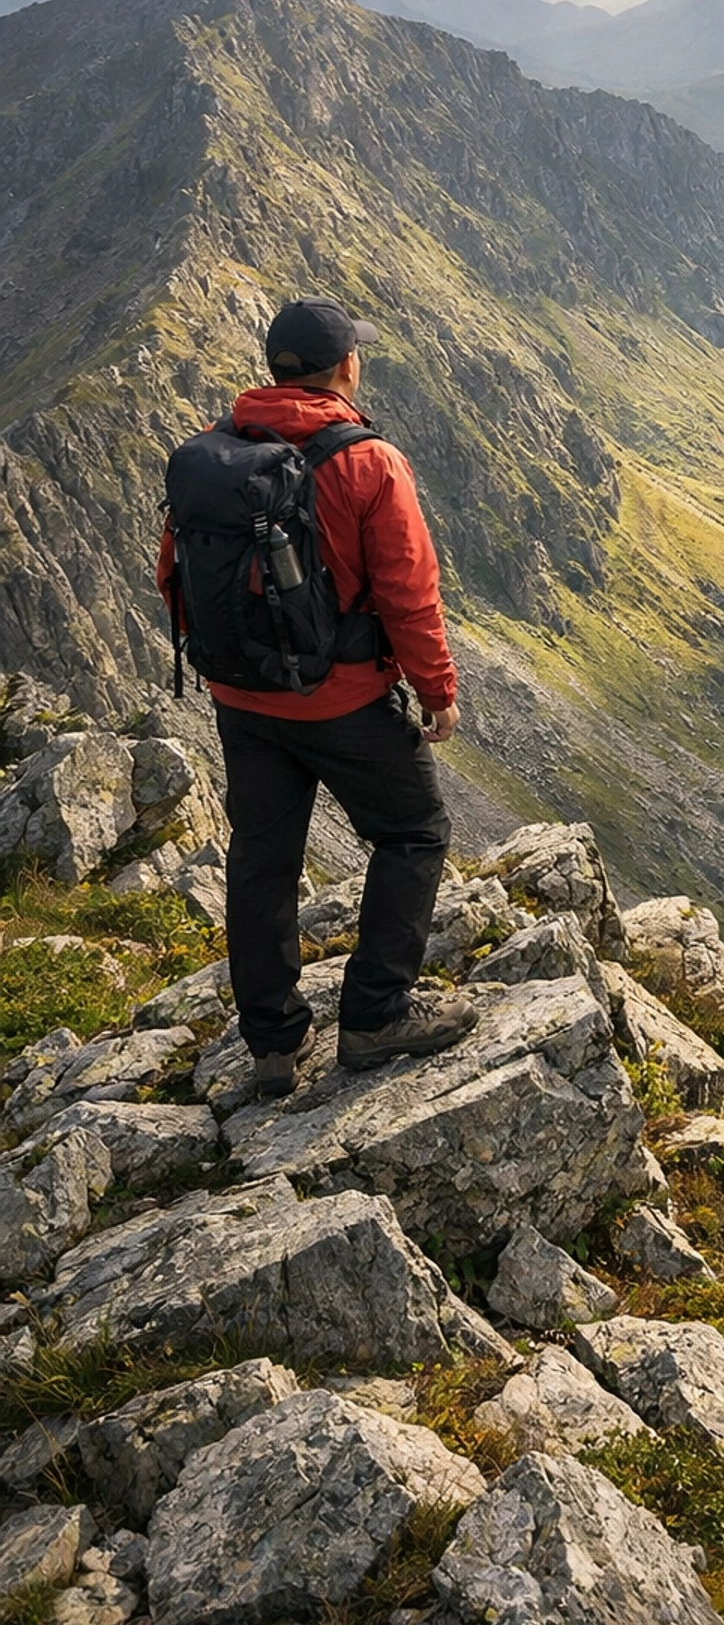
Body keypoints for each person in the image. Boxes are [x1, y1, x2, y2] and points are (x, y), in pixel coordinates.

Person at [158, 295, 477, 1094]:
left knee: (263, 861)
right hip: (339, 701)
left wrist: (229, 669)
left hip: (242, 699)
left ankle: (272, 1045)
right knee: (414, 831)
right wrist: (437, 690)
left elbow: (174, 573)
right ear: (344, 368)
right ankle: (374, 1017)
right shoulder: (368, 462)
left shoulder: (209, 453)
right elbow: (408, 592)